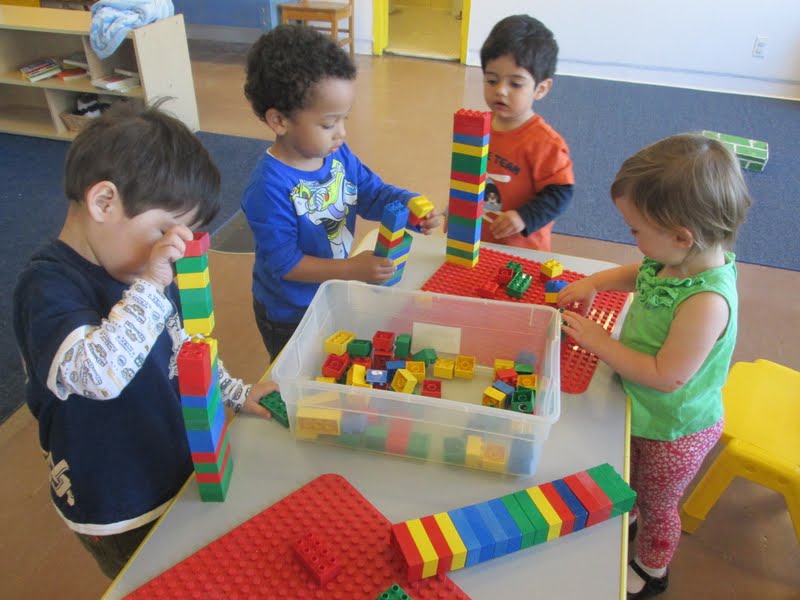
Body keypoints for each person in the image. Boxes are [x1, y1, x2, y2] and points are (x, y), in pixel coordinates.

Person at [12, 103, 278, 580]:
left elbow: (187, 348)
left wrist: (235, 392)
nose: (169, 249)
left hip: (174, 458)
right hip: (117, 500)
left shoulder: (143, 268)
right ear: (104, 202)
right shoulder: (47, 288)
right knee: (151, 579)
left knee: (195, 559)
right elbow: (99, 374)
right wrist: (152, 285)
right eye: (162, 230)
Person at [557, 134, 752, 599]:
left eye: (636, 231)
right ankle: (635, 518)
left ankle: (652, 567)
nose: (634, 241)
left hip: (674, 428)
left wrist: (600, 341)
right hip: (642, 405)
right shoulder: (675, 259)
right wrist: (595, 282)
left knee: (659, 502)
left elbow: (668, 376)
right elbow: (640, 273)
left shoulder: (706, 301)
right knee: (632, 478)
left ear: (682, 236)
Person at [242, 24, 443, 360]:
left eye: (343, 119)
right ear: (279, 121)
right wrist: (351, 270)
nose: (342, 133)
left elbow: (372, 193)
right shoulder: (268, 187)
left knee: (332, 359)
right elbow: (285, 263)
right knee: (300, 372)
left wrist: (407, 205)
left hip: (333, 291)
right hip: (289, 312)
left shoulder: (337, 155)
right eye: (328, 123)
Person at [479, 14, 574, 251]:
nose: (501, 91)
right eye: (492, 80)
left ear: (541, 89)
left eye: (515, 84)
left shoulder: (544, 142)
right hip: (478, 240)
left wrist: (523, 217)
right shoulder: (478, 128)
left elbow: (560, 193)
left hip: (522, 249)